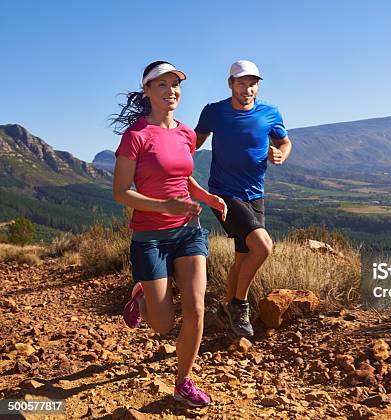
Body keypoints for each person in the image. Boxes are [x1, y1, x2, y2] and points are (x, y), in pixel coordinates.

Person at [111, 60, 227, 407]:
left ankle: (182, 382)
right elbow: (120, 191)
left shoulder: (186, 133)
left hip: (188, 232)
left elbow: (180, 175)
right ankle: (142, 296)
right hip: (150, 238)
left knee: (195, 308)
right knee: (162, 325)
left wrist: (205, 197)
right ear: (147, 91)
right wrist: (165, 207)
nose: (171, 90)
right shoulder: (136, 136)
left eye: (175, 84)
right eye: (161, 84)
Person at [194, 60, 292, 339]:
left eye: (252, 83)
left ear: (258, 85)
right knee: (262, 247)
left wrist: (281, 154)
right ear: (230, 84)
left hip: (255, 193)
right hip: (224, 193)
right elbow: (191, 143)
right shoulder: (214, 112)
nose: (247, 88)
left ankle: (226, 306)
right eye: (241, 82)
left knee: (243, 257)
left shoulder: (270, 113)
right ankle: (239, 304)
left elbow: (284, 142)